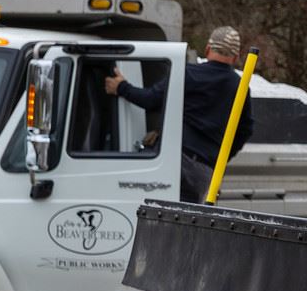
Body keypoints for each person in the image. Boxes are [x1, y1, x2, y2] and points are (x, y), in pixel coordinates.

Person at [108, 25, 254, 200]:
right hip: (204, 171)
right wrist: (219, 158)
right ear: (236, 57)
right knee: (186, 222)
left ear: (207, 49)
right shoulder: (240, 87)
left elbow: (150, 100)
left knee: (152, 216)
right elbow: (244, 131)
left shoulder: (188, 74)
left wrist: (121, 87)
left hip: (176, 162)